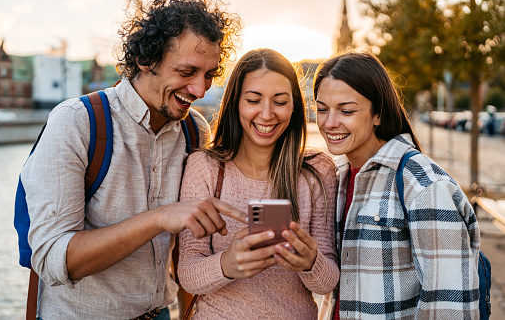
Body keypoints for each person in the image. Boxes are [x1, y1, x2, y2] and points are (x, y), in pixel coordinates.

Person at [20, 0, 245, 319]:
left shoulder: (194, 130)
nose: (199, 89)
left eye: (209, 75)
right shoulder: (76, 123)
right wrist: (158, 219)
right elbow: (56, 259)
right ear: (144, 60)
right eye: (186, 72)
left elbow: (188, 250)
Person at [315, 51, 481, 319]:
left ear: (377, 114)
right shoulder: (338, 177)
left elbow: (451, 309)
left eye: (346, 110)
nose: (329, 122)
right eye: (322, 109)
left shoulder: (425, 186)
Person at [177, 48, 339, 319]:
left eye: (279, 101)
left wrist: (311, 262)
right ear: (236, 103)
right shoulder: (204, 167)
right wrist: (227, 264)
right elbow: (187, 275)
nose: (266, 114)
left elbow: (327, 282)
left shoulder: (317, 170)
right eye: (253, 100)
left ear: (294, 106)